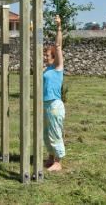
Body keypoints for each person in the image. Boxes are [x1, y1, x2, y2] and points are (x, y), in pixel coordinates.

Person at [43, 15, 65, 172]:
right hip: (45, 103)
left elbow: (58, 46)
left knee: (55, 132)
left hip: (55, 104)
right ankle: (50, 157)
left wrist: (58, 27)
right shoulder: (46, 69)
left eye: (47, 55)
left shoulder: (57, 67)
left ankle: (58, 161)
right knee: (47, 133)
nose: (45, 57)